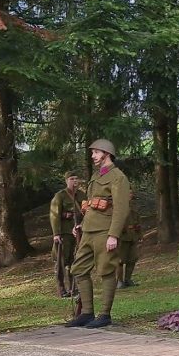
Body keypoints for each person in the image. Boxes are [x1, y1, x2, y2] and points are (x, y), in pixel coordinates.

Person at [65, 139, 130, 329]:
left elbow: (121, 209)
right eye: (92, 153)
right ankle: (86, 313)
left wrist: (114, 235)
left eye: (95, 152)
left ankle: (104, 315)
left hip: (105, 231)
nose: (92, 156)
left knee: (106, 270)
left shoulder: (118, 177)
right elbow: (93, 205)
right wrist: (81, 225)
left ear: (106, 153)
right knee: (78, 269)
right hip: (88, 230)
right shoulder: (97, 176)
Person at [50, 170, 86, 298]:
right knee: (61, 261)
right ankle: (61, 289)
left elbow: (87, 211)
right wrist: (56, 233)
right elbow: (54, 215)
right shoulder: (60, 196)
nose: (75, 181)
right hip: (64, 233)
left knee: (75, 260)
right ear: (66, 181)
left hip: (78, 232)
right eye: (72, 179)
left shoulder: (82, 195)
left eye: (76, 178)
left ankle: (73, 288)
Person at [116, 196, 141, 289]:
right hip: (122, 237)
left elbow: (138, 219)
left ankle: (128, 279)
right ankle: (119, 281)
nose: (130, 194)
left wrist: (139, 234)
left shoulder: (133, 204)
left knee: (133, 258)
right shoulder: (119, 203)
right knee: (120, 260)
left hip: (133, 235)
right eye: (128, 192)